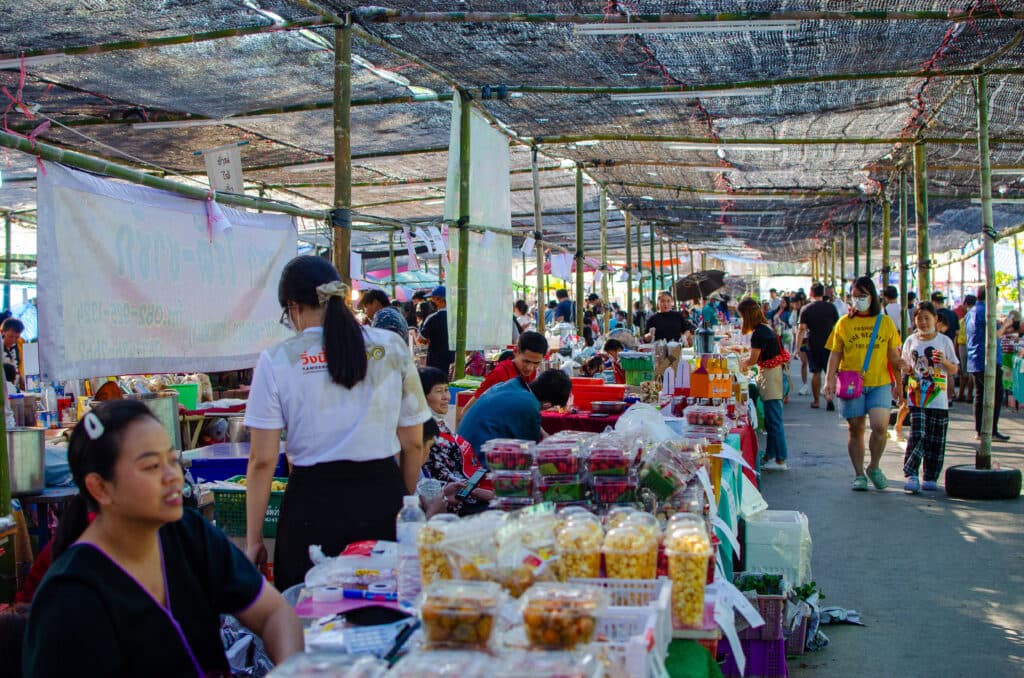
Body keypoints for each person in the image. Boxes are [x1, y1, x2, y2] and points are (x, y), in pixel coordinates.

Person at [23, 401, 304, 676]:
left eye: (173, 460)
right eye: (151, 467)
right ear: (100, 488)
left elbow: (274, 614)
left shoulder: (188, 533)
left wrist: (292, 671)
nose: (173, 476)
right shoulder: (70, 596)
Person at [244, 256, 431, 591]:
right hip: (382, 501)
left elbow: (262, 460)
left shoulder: (277, 359)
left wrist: (253, 539)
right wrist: (404, 502)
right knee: (386, 616)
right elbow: (413, 443)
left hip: (311, 509)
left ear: (294, 307)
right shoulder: (391, 347)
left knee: (312, 618)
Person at [824, 276, 906, 492]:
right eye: (855, 296)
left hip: (880, 383)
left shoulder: (885, 323)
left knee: (880, 426)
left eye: (863, 296)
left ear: (873, 297)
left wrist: (899, 382)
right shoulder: (844, 323)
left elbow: (893, 356)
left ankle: (874, 466)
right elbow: (835, 353)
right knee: (855, 428)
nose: (858, 300)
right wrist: (829, 378)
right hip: (851, 383)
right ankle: (859, 474)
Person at [900, 303, 959, 493]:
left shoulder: (944, 341)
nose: (923, 322)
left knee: (936, 438)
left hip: (939, 398)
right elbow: (906, 367)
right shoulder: (910, 341)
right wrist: (905, 374)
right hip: (916, 397)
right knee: (918, 433)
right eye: (919, 318)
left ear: (935, 319)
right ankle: (911, 474)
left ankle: (930, 476)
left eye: (927, 318)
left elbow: (954, 369)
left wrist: (943, 361)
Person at [419, 367, 493, 515]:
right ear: (422, 395)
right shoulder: (425, 432)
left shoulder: (439, 424)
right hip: (457, 505)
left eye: (446, 390)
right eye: (439, 391)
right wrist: (479, 492)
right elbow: (442, 478)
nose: (446, 396)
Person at [458, 370, 572, 464]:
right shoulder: (529, 405)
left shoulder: (510, 385)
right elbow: (529, 456)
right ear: (547, 405)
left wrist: (542, 432)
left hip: (461, 452)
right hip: (477, 464)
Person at [738, 298, 790, 471]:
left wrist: (739, 363)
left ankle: (781, 459)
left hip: (771, 377)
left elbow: (752, 359)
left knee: (774, 420)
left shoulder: (759, 333)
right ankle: (771, 455)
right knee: (771, 419)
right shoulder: (765, 328)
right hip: (774, 374)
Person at [459, 331, 548, 416]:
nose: (530, 368)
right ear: (515, 351)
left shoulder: (530, 373)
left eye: (536, 363)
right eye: (526, 361)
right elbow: (467, 411)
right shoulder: (500, 374)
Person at [965, 287, 1012, 442]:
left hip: (974, 358)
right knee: (995, 395)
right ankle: (991, 431)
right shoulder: (987, 312)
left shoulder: (971, 312)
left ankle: (980, 430)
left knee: (980, 395)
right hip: (988, 360)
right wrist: (1006, 325)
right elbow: (994, 335)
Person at [797, 284, 840, 411]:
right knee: (830, 373)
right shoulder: (831, 307)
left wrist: (798, 347)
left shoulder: (806, 309)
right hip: (830, 345)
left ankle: (816, 401)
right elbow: (837, 327)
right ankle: (829, 398)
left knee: (815, 373)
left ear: (811, 293)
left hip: (813, 344)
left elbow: (802, 329)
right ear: (823, 293)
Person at [418, 286, 455, 375]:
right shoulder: (455, 317)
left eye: (432, 299)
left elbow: (421, 339)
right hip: (453, 359)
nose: (430, 302)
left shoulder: (433, 318)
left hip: (436, 362)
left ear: (439, 299)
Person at [955, 294, 976, 403]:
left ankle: (962, 394)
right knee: (971, 372)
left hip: (963, 345)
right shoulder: (974, 317)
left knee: (964, 372)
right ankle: (968, 395)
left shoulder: (963, 320)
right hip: (971, 345)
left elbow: (957, 336)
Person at [1, 317, 23, 387]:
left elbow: (17, 368)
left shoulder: (18, 346)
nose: (13, 340)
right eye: (10, 336)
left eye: (17, 337)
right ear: (2, 332)